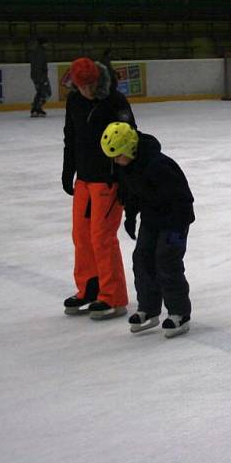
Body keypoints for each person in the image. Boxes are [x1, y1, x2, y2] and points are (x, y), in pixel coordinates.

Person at [100, 122, 195, 338]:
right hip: (151, 219)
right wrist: (131, 216)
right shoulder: (127, 166)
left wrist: (178, 228)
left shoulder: (159, 166)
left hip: (175, 220)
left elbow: (183, 198)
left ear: (130, 147)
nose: (115, 161)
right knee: (142, 258)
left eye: (118, 155)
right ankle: (149, 309)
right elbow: (132, 194)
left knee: (166, 261)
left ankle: (179, 313)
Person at [62, 57, 136, 320]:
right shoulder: (74, 100)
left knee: (102, 238)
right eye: (80, 86)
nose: (84, 91)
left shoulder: (115, 102)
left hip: (108, 180)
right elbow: (70, 136)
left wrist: (127, 182)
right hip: (83, 179)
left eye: (88, 86)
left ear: (97, 80)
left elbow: (130, 140)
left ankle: (113, 297)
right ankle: (89, 288)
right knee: (81, 236)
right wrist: (68, 169)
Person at [29, 38, 51, 117]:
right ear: (43, 44)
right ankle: (36, 108)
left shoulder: (37, 51)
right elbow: (38, 66)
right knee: (47, 92)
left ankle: (36, 109)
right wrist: (42, 78)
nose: (48, 45)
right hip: (40, 77)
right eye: (46, 43)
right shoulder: (40, 53)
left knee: (40, 93)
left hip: (36, 76)